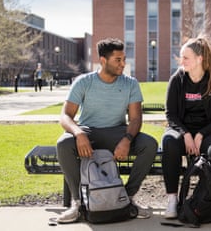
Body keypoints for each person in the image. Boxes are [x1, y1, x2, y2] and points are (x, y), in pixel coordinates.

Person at [56, 38, 158, 224]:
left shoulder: (130, 83)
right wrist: (78, 133)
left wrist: (127, 139)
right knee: (63, 143)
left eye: (123, 59)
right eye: (117, 60)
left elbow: (135, 119)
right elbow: (65, 116)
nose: (123, 64)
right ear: (103, 61)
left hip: (117, 133)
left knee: (149, 144)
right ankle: (78, 203)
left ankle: (124, 199)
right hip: (88, 132)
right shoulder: (83, 82)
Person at [161, 37, 211, 219]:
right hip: (180, 129)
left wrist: (201, 134)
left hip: (207, 131)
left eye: (186, 58)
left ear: (200, 59)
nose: (181, 62)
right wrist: (185, 134)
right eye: (181, 57)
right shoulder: (177, 79)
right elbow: (170, 114)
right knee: (169, 143)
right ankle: (172, 200)